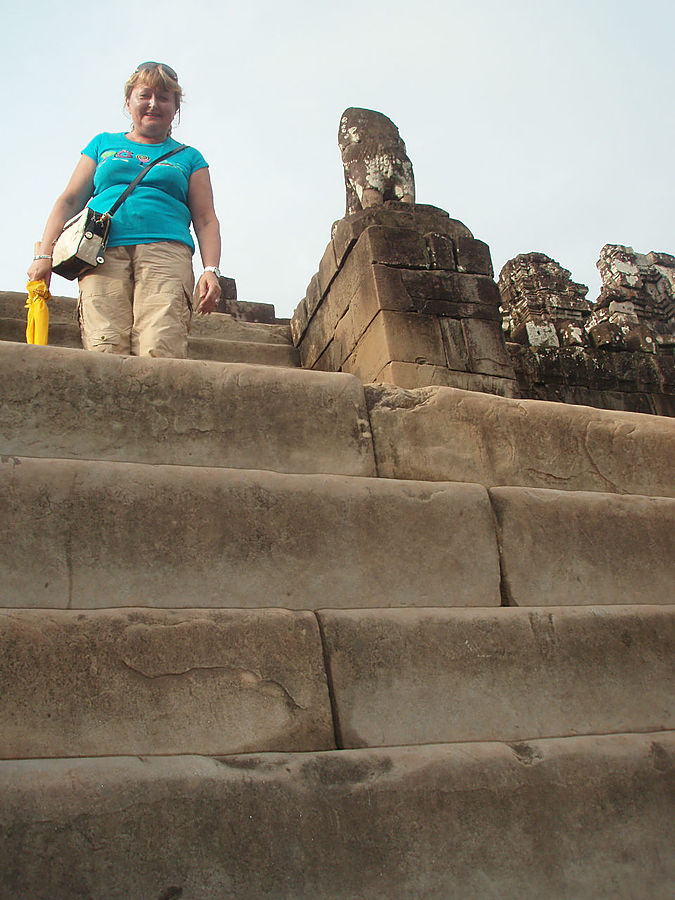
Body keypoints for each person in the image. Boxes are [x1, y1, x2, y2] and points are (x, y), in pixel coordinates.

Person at [27, 61, 222, 358]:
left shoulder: (190, 157)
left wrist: (211, 270)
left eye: (164, 97)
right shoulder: (103, 144)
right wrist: (44, 255)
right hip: (100, 250)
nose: (153, 104)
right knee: (104, 344)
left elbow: (206, 219)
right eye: (145, 95)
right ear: (129, 100)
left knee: (161, 344)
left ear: (175, 107)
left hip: (166, 253)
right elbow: (69, 200)